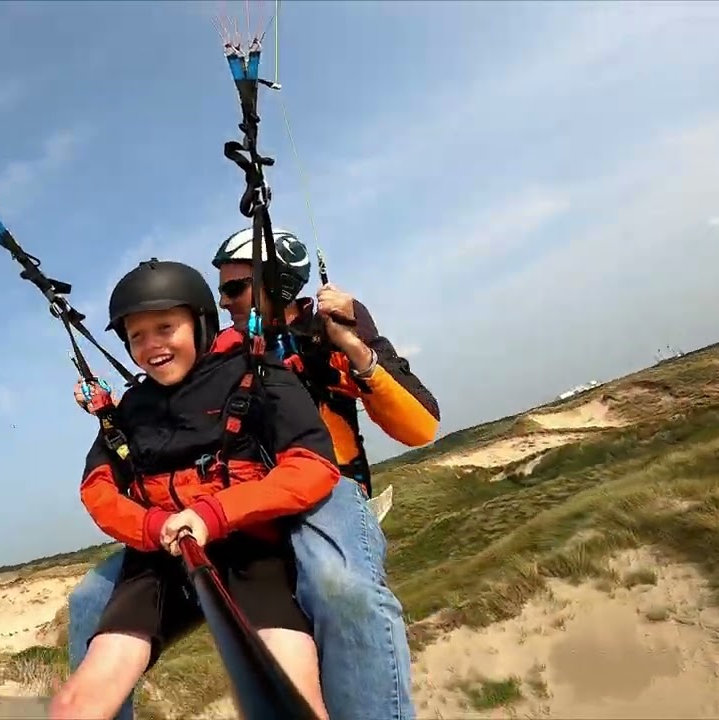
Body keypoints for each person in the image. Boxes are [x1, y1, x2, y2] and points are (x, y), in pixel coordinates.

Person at [67, 227, 440, 720]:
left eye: (235, 288)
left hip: (324, 489)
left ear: (278, 284)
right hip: (234, 503)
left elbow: (420, 428)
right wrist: (127, 419)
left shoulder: (322, 338)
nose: (225, 301)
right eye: (220, 291)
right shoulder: (224, 351)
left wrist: (357, 346)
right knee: (90, 600)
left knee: (340, 587)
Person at [49, 258, 340, 720]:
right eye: (136, 336)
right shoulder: (132, 409)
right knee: (75, 705)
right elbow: (98, 489)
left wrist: (214, 514)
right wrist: (153, 526)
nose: (151, 346)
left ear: (201, 323)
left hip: (249, 552)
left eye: (165, 328)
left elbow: (312, 465)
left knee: (291, 693)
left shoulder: (255, 374)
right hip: (160, 559)